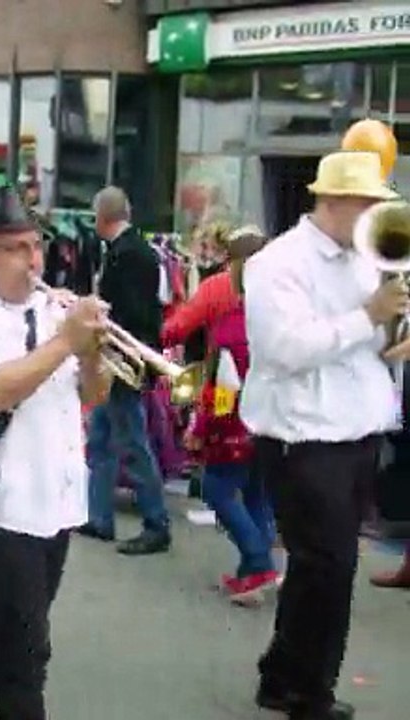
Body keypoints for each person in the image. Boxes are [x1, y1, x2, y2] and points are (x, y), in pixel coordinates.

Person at [0, 186, 111, 719]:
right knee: (27, 647)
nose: (34, 261)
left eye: (37, 246)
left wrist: (94, 354)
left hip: (55, 495)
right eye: (17, 248)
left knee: (5, 628)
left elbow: (92, 396)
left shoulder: (54, 309)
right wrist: (64, 345)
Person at [242, 151, 405, 720]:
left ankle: (281, 677)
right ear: (332, 200)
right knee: (330, 573)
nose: (375, 216)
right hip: (305, 439)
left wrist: (392, 334)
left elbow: (365, 344)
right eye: (367, 204)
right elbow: (286, 350)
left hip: (356, 432)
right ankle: (310, 696)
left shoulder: (365, 260)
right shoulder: (276, 264)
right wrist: (369, 315)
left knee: (318, 570)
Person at [176, 226, 279, 604]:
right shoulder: (277, 315)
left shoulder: (234, 322)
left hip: (235, 423)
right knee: (257, 494)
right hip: (269, 420)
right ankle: (252, 574)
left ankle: (259, 561)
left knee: (216, 489)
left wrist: (203, 427)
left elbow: (224, 387)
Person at [81, 185, 171, 555]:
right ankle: (99, 517)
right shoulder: (132, 250)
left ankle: (156, 523)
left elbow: (134, 313)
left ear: (103, 218)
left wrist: (102, 318)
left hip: (122, 361)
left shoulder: (129, 255)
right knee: (101, 438)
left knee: (132, 442)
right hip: (116, 359)